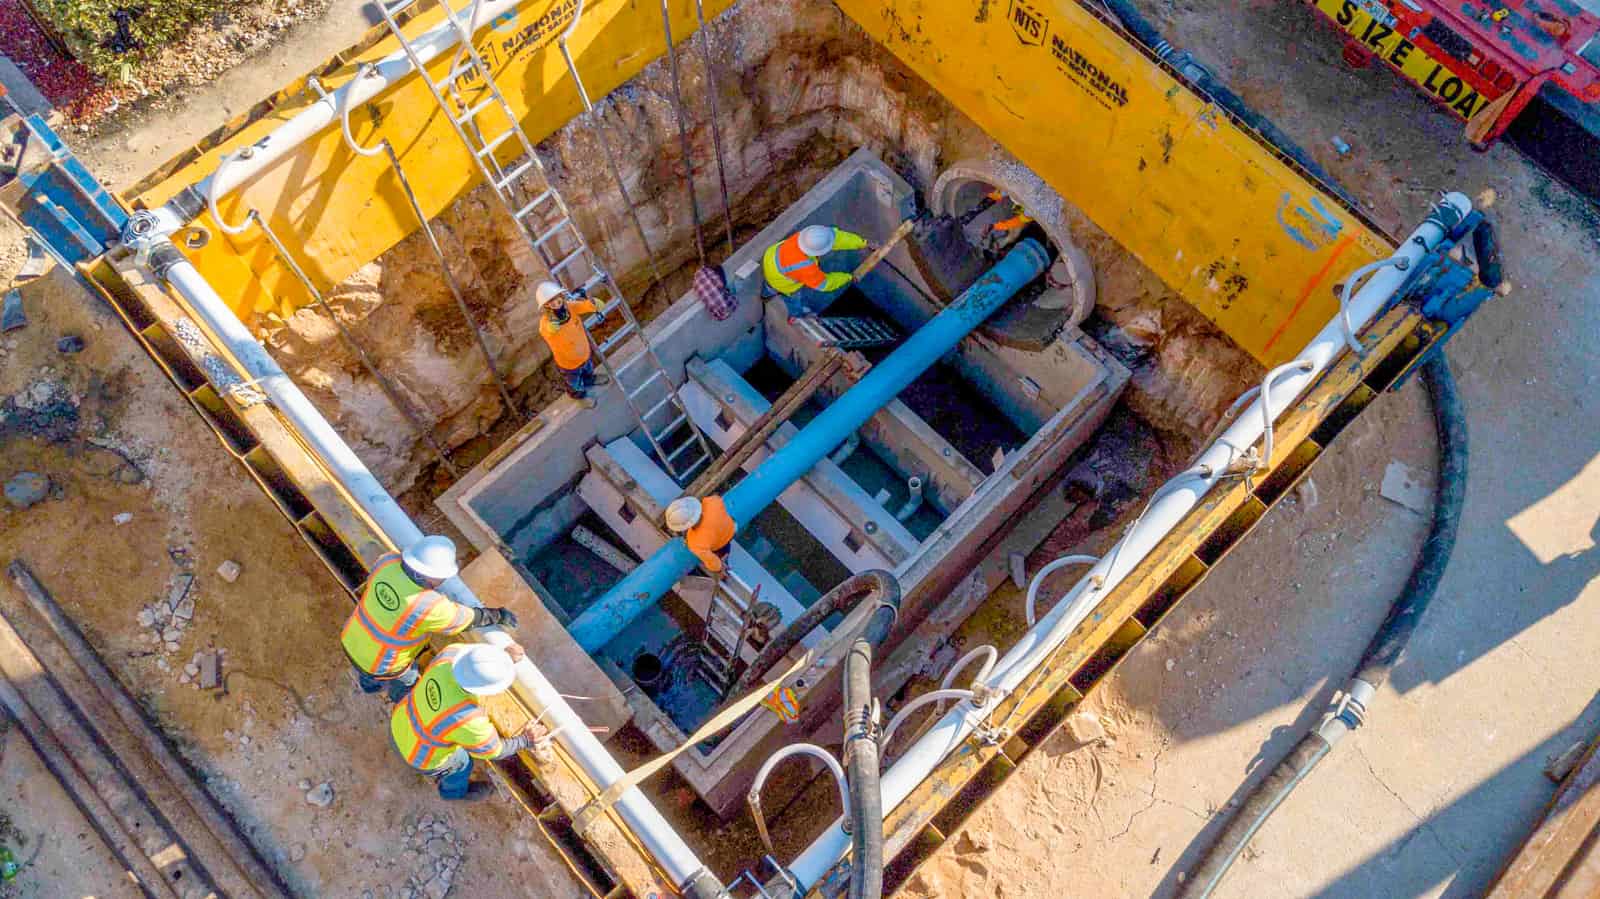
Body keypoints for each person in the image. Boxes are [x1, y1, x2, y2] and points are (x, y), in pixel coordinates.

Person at [341, 535, 520, 702]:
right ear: (436, 576)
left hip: (351, 636)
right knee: (407, 682)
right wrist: (499, 615)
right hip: (382, 664)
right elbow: (467, 619)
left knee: (365, 673)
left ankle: (369, 686)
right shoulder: (428, 606)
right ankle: (398, 699)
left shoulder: (387, 562)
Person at [390, 642, 542, 800]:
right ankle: (452, 793)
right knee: (463, 762)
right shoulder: (469, 719)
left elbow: (477, 662)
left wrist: (502, 659)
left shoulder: (449, 654)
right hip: (417, 756)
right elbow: (494, 750)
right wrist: (525, 740)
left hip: (398, 722)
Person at [761, 224, 869, 319]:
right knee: (793, 299)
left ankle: (766, 295)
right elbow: (825, 284)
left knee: (769, 286)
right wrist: (848, 277)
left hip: (771, 257)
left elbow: (837, 238)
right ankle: (796, 316)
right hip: (783, 282)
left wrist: (861, 243)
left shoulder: (807, 236)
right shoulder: (805, 267)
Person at [536, 280, 610, 407]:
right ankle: (579, 396)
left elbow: (582, 306)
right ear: (546, 305)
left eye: (557, 298)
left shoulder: (570, 307)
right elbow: (544, 331)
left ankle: (590, 380)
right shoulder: (546, 322)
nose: (556, 302)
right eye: (551, 301)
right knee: (574, 383)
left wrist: (594, 305)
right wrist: (550, 328)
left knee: (588, 370)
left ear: (561, 296)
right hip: (568, 363)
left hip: (584, 354)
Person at [665, 494, 737, 574]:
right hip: (730, 528)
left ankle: (725, 569)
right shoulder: (712, 502)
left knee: (720, 555)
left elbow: (712, 562)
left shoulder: (695, 543)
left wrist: (719, 568)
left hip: (719, 544)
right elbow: (713, 499)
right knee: (725, 541)